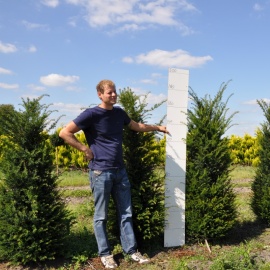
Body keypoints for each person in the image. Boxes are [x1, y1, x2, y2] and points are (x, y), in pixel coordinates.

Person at [59, 79, 169, 269]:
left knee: (126, 213)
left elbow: (136, 126)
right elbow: (65, 132)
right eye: (109, 92)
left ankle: (131, 250)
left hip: (120, 171)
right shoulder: (91, 114)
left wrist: (158, 128)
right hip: (100, 172)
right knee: (101, 216)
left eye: (115, 92)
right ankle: (106, 254)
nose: (113, 95)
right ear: (100, 95)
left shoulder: (119, 113)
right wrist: (84, 149)